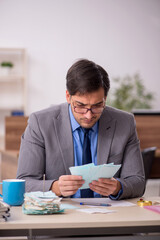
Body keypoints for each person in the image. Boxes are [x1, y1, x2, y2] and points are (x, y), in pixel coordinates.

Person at [17, 59, 145, 199]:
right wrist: (55, 187)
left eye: (97, 105)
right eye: (80, 106)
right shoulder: (40, 123)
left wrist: (118, 187)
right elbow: (24, 182)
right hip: (61, 214)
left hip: (109, 215)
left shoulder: (124, 123)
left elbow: (138, 182)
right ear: (68, 96)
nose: (89, 115)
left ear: (105, 99)